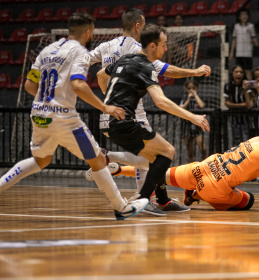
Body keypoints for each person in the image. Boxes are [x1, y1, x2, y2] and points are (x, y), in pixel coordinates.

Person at [0, 12, 148, 220]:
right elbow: (79, 85)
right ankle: (121, 207)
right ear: (88, 32)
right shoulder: (79, 52)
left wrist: (49, 99)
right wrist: (105, 108)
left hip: (39, 113)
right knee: (97, 160)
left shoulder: (47, 50)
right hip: (64, 119)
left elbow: (29, 85)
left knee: (40, 161)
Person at [88, 8, 211, 215]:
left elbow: (100, 74)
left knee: (155, 158)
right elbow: (161, 101)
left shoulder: (125, 57)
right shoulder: (145, 66)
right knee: (168, 152)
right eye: (164, 45)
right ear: (152, 45)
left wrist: (107, 99)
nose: (166, 49)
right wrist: (193, 117)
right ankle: (142, 199)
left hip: (107, 119)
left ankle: (154, 197)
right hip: (125, 120)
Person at [109, 117, 259, 211]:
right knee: (248, 201)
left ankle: (119, 170)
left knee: (161, 173)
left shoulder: (257, 141)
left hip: (204, 166)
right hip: (215, 188)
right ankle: (195, 195)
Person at [223, 65, 253, 146]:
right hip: (234, 119)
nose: (238, 74)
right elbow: (227, 103)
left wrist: (244, 89)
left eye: (241, 72)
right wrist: (242, 105)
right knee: (236, 141)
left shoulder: (247, 85)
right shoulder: (228, 86)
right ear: (232, 74)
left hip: (246, 119)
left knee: (247, 141)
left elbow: (249, 105)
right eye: (236, 72)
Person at [180, 80, 207, 163]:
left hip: (197, 126)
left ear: (197, 88)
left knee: (203, 148)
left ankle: (204, 164)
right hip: (186, 126)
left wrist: (195, 95)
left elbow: (202, 105)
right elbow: (181, 109)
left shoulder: (198, 98)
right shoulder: (184, 99)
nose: (191, 90)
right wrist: (188, 99)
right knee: (191, 152)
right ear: (186, 89)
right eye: (189, 88)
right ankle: (191, 170)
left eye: (193, 88)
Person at [229, 8, 259, 80]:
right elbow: (234, 39)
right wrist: (232, 52)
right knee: (239, 69)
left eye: (246, 14)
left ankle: (250, 86)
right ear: (239, 17)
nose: (244, 16)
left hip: (248, 52)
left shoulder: (251, 26)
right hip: (239, 52)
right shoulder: (236, 26)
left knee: (248, 70)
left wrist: (256, 43)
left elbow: (253, 37)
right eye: (242, 15)